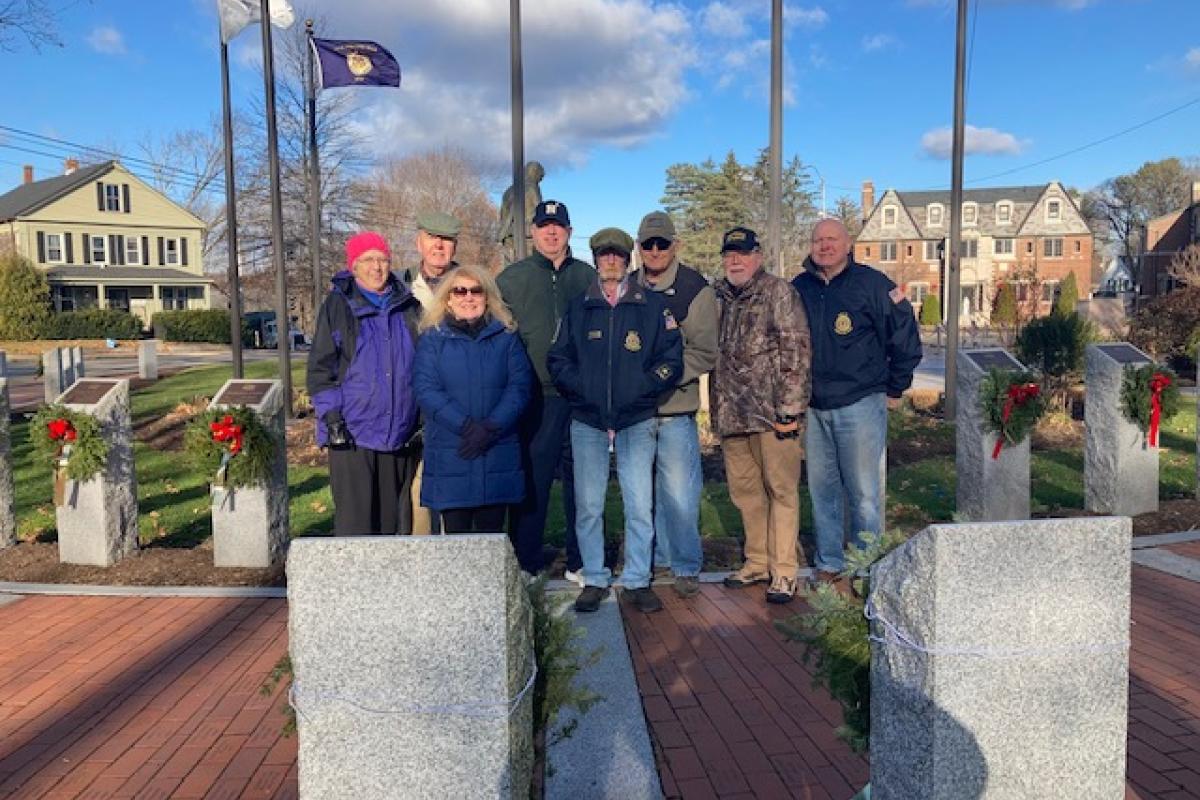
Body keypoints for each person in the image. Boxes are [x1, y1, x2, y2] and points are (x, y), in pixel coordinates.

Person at [548, 227, 683, 613]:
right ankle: (594, 577)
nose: (611, 261)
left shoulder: (653, 307)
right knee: (589, 505)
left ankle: (638, 579)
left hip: (636, 420)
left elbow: (671, 359)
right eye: (604, 255)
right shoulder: (579, 307)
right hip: (588, 420)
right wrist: (582, 388)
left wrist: (642, 388)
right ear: (595, 261)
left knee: (639, 504)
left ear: (629, 260)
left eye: (618, 255)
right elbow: (558, 359)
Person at [792, 219, 922, 588]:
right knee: (823, 491)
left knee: (864, 494)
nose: (824, 245)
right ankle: (829, 562)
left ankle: (867, 566)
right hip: (815, 408)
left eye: (832, 239)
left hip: (860, 404)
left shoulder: (873, 285)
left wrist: (896, 388)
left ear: (848, 244)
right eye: (818, 239)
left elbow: (905, 339)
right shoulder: (798, 288)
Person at [711, 227, 811, 604]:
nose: (735, 260)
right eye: (729, 254)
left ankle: (784, 571)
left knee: (782, 490)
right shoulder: (718, 295)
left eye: (743, 253)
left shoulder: (779, 292)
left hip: (772, 416)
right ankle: (756, 562)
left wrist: (789, 409)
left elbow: (796, 352)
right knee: (746, 493)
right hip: (732, 414)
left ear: (759, 256)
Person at [496, 200, 595, 577]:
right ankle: (526, 560)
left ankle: (581, 560)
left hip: (581, 397)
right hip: (536, 396)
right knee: (533, 481)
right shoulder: (511, 279)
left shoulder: (587, 277)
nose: (551, 232)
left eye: (558, 226)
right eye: (544, 226)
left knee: (582, 482)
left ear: (569, 232)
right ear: (533, 232)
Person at [308, 231, 422, 535]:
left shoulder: (408, 306)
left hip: (399, 434)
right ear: (354, 266)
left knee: (390, 524)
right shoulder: (338, 305)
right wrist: (332, 417)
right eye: (368, 260)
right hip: (353, 433)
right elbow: (322, 369)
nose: (377, 267)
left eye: (383, 259)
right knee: (356, 526)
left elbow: (422, 364)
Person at [632, 211, 718, 599]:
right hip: (635, 412)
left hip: (675, 409)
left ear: (674, 245)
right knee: (640, 495)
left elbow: (704, 352)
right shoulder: (628, 287)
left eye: (660, 244)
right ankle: (658, 559)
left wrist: (663, 376)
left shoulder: (694, 289)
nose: (653, 251)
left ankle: (685, 565)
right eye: (647, 244)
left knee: (680, 494)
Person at [412, 265, 533, 533]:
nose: (469, 297)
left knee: (491, 541)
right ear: (448, 298)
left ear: (487, 296)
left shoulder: (506, 337)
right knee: (457, 545)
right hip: (452, 450)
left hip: (496, 449)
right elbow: (426, 389)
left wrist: (490, 427)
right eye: (460, 291)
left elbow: (519, 387)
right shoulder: (433, 339)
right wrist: (466, 426)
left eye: (476, 291)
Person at [402, 210, 463, 535]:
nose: (439, 246)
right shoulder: (400, 287)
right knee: (417, 494)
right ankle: (423, 562)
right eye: (432, 238)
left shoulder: (469, 286)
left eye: (447, 240)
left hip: (457, 402)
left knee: (454, 489)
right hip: (410, 404)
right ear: (419, 241)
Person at [402, 211, 462, 308]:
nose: (438, 245)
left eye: (446, 238)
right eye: (432, 237)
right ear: (418, 244)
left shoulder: (473, 288)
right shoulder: (401, 284)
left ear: (455, 247)